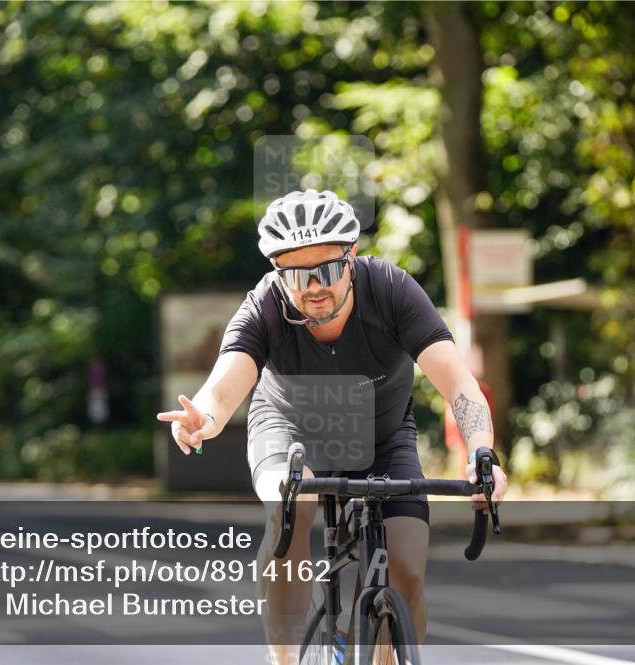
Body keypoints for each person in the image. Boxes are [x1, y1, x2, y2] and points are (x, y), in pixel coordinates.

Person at [157, 189, 507, 664]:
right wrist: (205, 417)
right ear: (278, 274)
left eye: (325, 270)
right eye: (295, 275)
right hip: (288, 432)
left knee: (405, 566)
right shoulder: (264, 307)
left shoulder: (390, 289)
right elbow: (225, 384)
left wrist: (482, 453)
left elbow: (459, 383)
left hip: (381, 436)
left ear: (352, 257)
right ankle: (284, 660)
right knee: (289, 507)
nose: (312, 287)